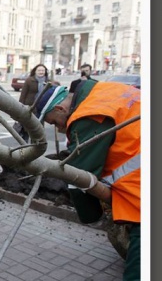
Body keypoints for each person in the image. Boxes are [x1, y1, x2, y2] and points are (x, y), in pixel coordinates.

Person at [36, 82, 140, 281]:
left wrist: (93, 216)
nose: (58, 129)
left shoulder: (88, 115)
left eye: (54, 122)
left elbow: (79, 176)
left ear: (60, 108)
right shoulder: (102, 90)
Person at [17, 63, 50, 141]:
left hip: (41, 108)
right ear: (35, 71)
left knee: (38, 128)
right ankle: (24, 145)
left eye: (43, 70)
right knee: (27, 127)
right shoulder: (29, 80)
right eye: (39, 70)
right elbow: (23, 94)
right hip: (29, 107)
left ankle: (35, 145)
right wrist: (20, 107)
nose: (41, 72)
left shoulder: (48, 82)